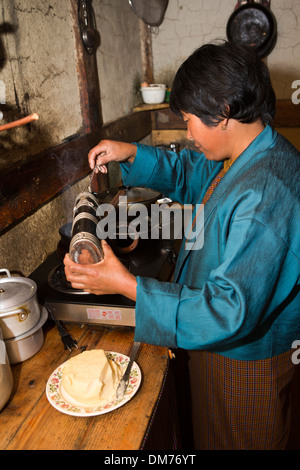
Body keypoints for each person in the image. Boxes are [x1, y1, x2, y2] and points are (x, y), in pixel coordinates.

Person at [64, 41, 300, 450]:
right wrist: (131, 153)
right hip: (215, 344)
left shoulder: (265, 193)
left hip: (242, 360)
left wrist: (126, 285)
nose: (188, 133)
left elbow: (229, 310)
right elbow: (195, 174)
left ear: (223, 112)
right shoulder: (251, 152)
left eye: (189, 120)